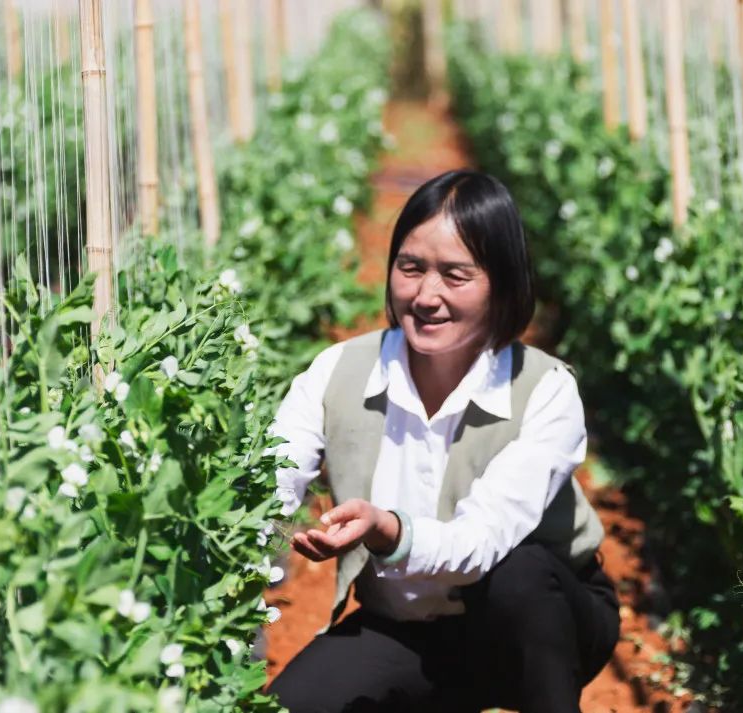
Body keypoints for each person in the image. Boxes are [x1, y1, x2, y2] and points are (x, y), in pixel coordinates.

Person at [265, 170, 618, 713]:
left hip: (535, 631)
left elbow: (482, 541)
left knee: (519, 577)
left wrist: (390, 532)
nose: (426, 295)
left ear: (503, 284)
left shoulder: (545, 390)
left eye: (456, 275)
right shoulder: (339, 371)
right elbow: (271, 481)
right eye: (410, 268)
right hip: (404, 627)